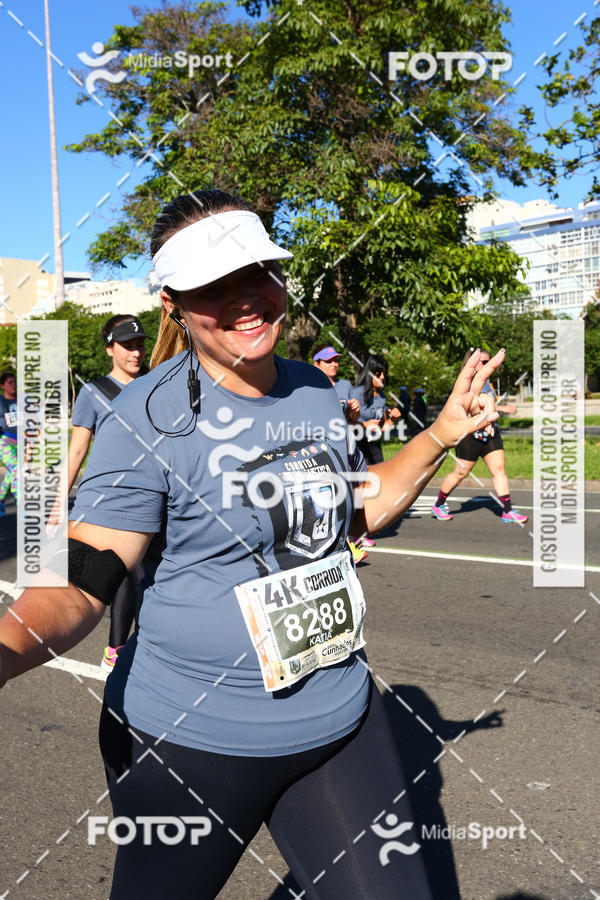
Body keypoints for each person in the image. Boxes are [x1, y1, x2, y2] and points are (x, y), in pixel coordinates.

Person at [0, 189, 504, 900]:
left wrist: (441, 433)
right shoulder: (145, 418)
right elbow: (82, 577)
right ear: (174, 303)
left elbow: (353, 511)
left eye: (257, 273)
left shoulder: (312, 390)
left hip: (338, 717)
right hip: (188, 742)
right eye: (214, 286)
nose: (245, 299)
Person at [65, 315, 149, 669]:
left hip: (157, 496)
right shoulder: (93, 392)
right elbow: (77, 450)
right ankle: (119, 651)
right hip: (114, 500)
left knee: (146, 577)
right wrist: (56, 503)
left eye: (140, 345)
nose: (136, 352)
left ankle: (129, 648)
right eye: (127, 346)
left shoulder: (156, 383)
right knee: (132, 574)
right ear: (110, 349)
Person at [431, 349, 528, 523]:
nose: (486, 365)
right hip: (470, 435)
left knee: (499, 470)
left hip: (490, 433)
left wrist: (495, 409)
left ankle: (507, 510)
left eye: (488, 362)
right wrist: (503, 408)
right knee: (460, 473)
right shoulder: (466, 384)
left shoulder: (487, 383)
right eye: (483, 362)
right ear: (473, 362)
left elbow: (489, 405)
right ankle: (439, 504)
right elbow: (474, 406)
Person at [312, 344, 368, 563]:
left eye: (336, 360)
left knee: (359, 487)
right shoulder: (310, 387)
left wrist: (354, 412)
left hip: (348, 445)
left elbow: (353, 420)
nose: (334, 364)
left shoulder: (345, 385)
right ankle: (346, 542)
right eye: (328, 361)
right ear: (316, 364)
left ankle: (356, 531)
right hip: (324, 449)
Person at [352, 354, 402, 465]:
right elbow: (347, 423)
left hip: (375, 449)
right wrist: (365, 425)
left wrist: (393, 420)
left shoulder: (381, 397)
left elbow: (381, 428)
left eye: (384, 374)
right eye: (378, 374)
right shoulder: (356, 393)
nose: (382, 377)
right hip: (357, 446)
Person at [0, 371, 18, 515]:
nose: (13, 385)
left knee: (11, 473)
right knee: (17, 469)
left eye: (14, 382)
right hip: (4, 441)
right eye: (9, 382)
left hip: (21, 442)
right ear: (2, 386)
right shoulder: (1, 402)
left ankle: (0, 500)